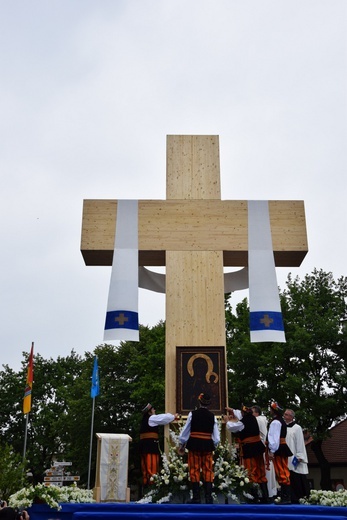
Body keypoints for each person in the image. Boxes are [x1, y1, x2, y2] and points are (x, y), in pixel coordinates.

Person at [178, 393, 220, 504]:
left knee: (194, 469)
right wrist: (214, 444)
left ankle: (196, 498)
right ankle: (208, 498)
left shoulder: (192, 414)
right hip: (207, 444)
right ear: (209, 404)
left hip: (194, 444)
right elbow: (216, 437)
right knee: (208, 469)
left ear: (199, 401)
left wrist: (182, 443)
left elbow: (186, 430)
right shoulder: (212, 416)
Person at [224, 405, 268, 503]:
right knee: (261, 472)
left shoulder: (243, 422)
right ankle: (265, 496)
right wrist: (233, 410)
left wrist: (227, 421)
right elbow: (240, 414)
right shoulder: (254, 419)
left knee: (251, 471)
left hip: (250, 448)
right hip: (258, 448)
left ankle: (254, 497)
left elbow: (233, 428)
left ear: (244, 414)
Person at [139, 403, 180, 489]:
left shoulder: (144, 420)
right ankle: (152, 488)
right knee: (152, 468)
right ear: (150, 412)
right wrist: (173, 416)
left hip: (144, 446)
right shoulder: (151, 418)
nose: (155, 410)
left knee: (145, 469)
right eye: (153, 409)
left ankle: (146, 487)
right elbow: (164, 418)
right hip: (151, 446)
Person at [267, 400, 292, 504]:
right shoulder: (279, 421)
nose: (270, 411)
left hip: (279, 448)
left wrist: (272, 450)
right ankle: (285, 496)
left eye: (271, 409)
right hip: (281, 447)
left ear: (274, 410)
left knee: (282, 470)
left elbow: (274, 437)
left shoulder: (276, 422)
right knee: (281, 470)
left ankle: (286, 497)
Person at [252, 405, 278, 500]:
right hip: (263, 447)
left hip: (261, 448)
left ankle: (264, 494)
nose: (251, 414)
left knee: (263, 471)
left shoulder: (258, 419)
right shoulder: (263, 419)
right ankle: (268, 493)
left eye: (252, 412)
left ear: (257, 413)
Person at [283, 408, 310, 503]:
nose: (284, 416)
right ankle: (289, 497)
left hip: (294, 456)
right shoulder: (283, 427)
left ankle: (300, 497)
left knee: (297, 476)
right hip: (286, 456)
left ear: (291, 417)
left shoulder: (297, 428)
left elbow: (300, 442)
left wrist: (299, 456)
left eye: (286, 414)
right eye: (284, 414)